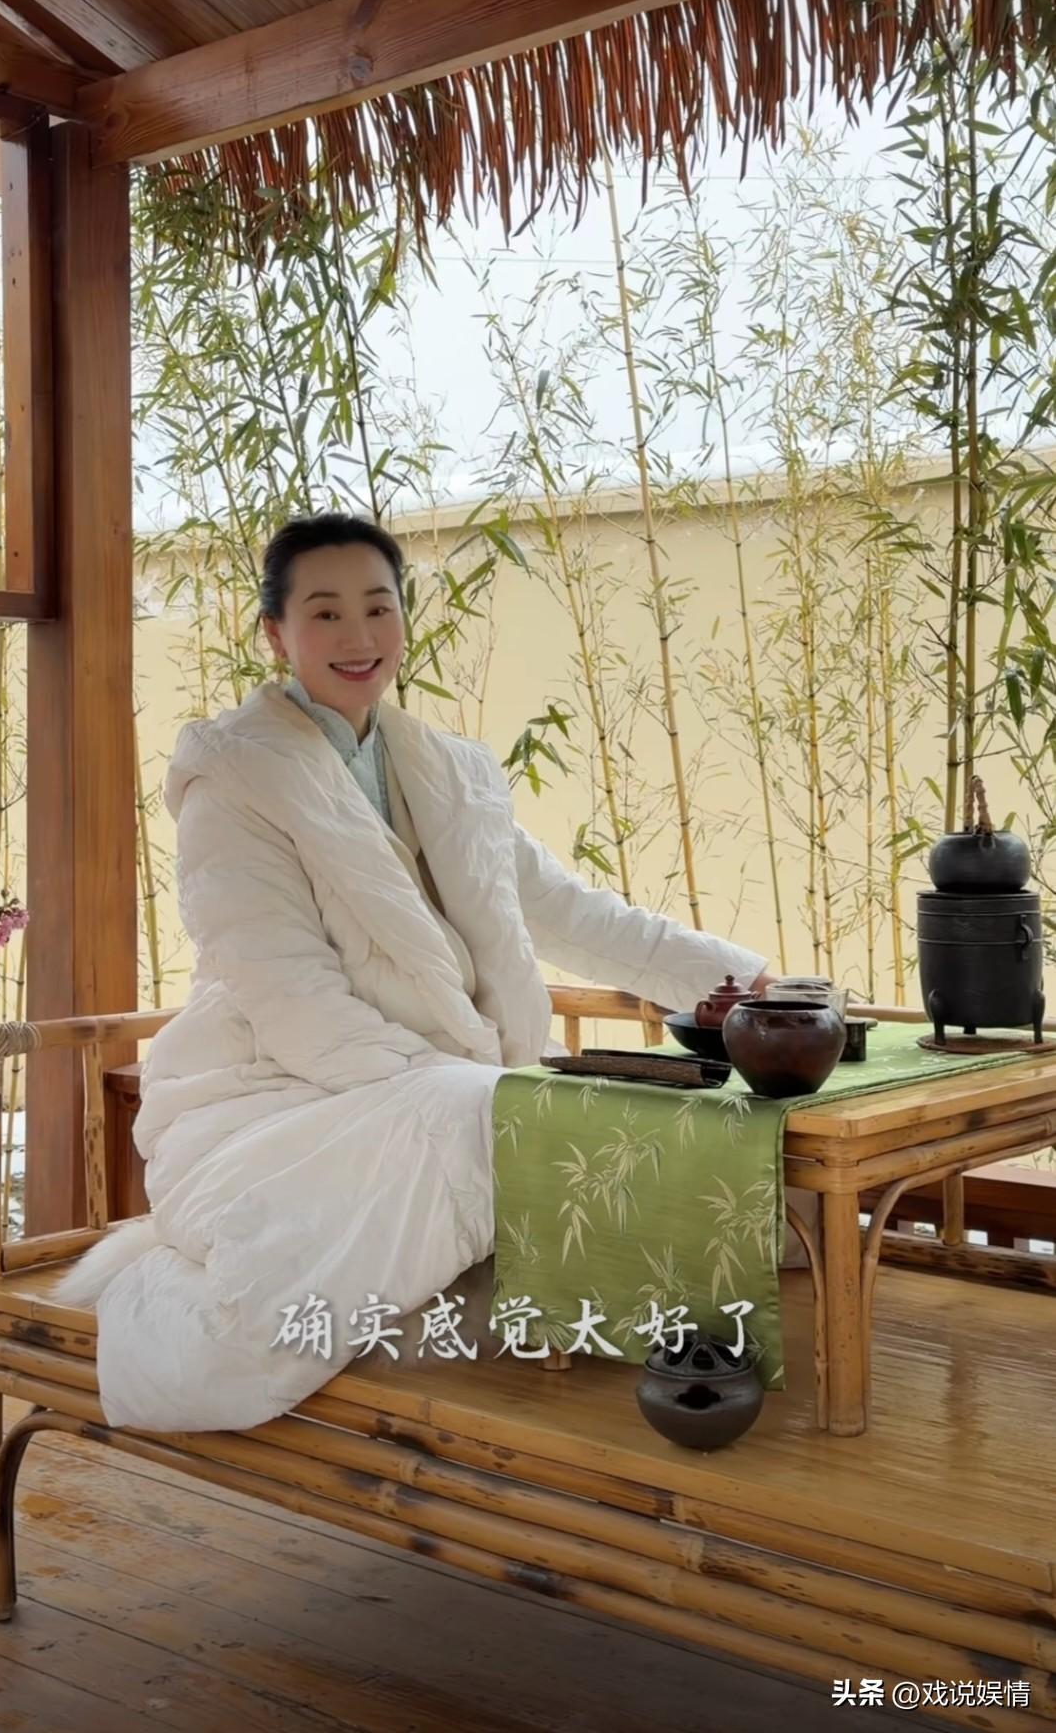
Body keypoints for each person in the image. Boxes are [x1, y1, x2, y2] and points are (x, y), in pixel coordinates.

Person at [64, 513, 775, 1433]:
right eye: (324, 613)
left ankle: (674, 1339)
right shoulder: (235, 782)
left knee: (694, 1105)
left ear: (405, 617)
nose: (357, 636)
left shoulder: (450, 772)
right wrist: (488, 1092)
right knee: (497, 1111)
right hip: (272, 1099)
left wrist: (737, 989)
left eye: (378, 607)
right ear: (275, 633)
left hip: (447, 1089)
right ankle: (182, 1299)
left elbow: (570, 912)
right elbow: (293, 999)